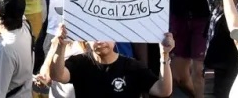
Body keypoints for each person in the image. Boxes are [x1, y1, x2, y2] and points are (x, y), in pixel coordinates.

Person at [45, 24, 174, 98]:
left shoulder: (133, 67)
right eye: (94, 34)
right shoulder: (79, 63)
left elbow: (163, 90)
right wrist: (60, 47)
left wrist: (164, 55)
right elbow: (57, 75)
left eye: (106, 34)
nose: (100, 40)